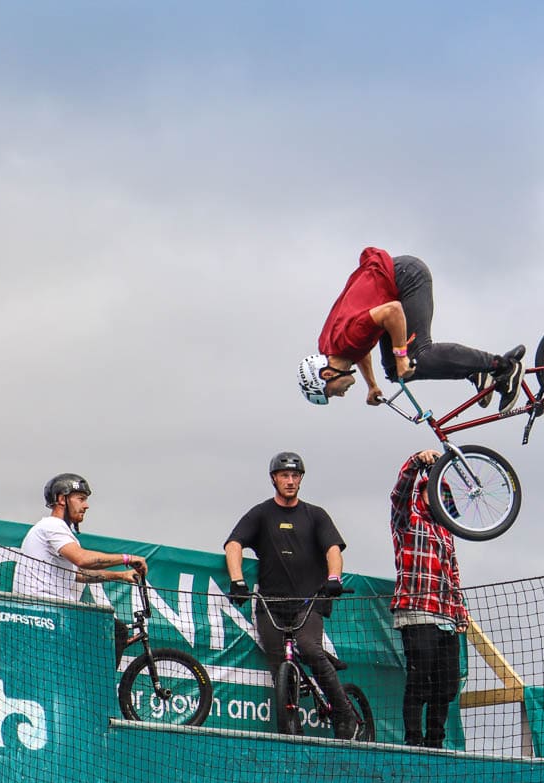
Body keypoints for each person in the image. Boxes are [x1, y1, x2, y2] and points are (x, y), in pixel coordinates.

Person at [223, 451, 357, 740]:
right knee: (279, 667)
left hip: (309, 602)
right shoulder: (261, 513)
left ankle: (344, 712)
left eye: (295, 476)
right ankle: (290, 727)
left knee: (309, 648)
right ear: (274, 478)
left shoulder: (315, 515)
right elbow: (233, 544)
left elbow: (333, 549)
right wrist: (238, 581)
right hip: (270, 605)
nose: (290, 480)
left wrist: (334, 578)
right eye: (285, 475)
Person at [297, 246, 526, 412]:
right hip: (392, 286)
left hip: (406, 278)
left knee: (418, 355)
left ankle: (504, 367)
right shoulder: (336, 348)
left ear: (327, 375)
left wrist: (401, 356)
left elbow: (393, 311)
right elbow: (362, 348)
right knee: (396, 372)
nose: (338, 395)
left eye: (330, 392)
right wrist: (372, 385)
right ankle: (476, 369)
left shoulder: (346, 338)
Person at [14, 473, 149, 667]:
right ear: (62, 499)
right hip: (47, 611)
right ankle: (102, 690)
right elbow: (83, 559)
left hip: (54, 610)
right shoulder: (52, 526)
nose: (86, 505)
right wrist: (127, 558)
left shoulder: (58, 530)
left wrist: (121, 575)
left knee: (106, 635)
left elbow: (79, 574)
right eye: (81, 498)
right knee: (116, 630)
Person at [389, 449, 470, 748]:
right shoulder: (407, 522)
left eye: (439, 494)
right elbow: (399, 494)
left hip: (446, 616)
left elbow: (454, 575)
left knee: (447, 684)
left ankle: (435, 741)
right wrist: (416, 461)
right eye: (429, 492)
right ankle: (414, 740)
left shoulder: (447, 533)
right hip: (417, 611)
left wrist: (460, 611)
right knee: (420, 678)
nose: (434, 498)